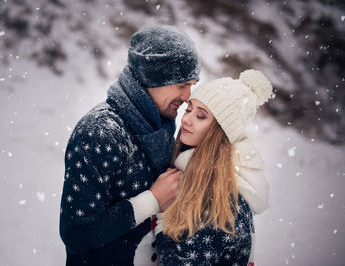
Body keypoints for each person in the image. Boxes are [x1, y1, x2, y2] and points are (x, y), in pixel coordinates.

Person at [59, 25, 201, 265]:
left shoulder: (163, 124)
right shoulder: (100, 132)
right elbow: (76, 233)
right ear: (152, 78)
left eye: (191, 85)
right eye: (181, 84)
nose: (187, 96)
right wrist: (152, 200)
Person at [155, 69, 272, 265]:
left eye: (201, 116)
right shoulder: (202, 177)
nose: (186, 119)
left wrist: (162, 217)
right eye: (189, 109)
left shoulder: (218, 196)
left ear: (220, 132)